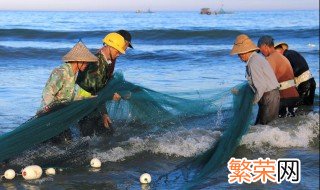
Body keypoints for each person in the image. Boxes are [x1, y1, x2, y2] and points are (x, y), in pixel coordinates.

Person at [38, 41, 98, 142]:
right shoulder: (61, 72)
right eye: (86, 61)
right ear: (78, 60)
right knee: (63, 142)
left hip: (62, 115)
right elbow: (47, 93)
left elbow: (73, 95)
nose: (87, 64)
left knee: (67, 141)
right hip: (51, 116)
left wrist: (90, 97)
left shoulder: (74, 74)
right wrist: (48, 110)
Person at [76, 31, 133, 137]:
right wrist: (110, 97)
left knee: (106, 133)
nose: (120, 54)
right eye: (118, 51)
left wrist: (104, 113)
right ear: (110, 47)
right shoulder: (97, 64)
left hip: (93, 103)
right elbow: (93, 91)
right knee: (86, 138)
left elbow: (98, 89)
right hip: (85, 104)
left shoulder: (105, 61)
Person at [230, 34, 280, 125]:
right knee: (262, 126)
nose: (239, 57)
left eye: (239, 54)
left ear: (244, 52)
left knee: (265, 127)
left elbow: (261, 86)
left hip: (269, 96)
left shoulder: (253, 62)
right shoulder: (256, 59)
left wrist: (252, 102)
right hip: (269, 95)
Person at [257, 36, 300, 117]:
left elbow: (265, 81)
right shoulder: (283, 57)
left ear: (265, 46)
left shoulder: (270, 59)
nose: (261, 53)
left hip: (284, 99)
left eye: (260, 49)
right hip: (294, 97)